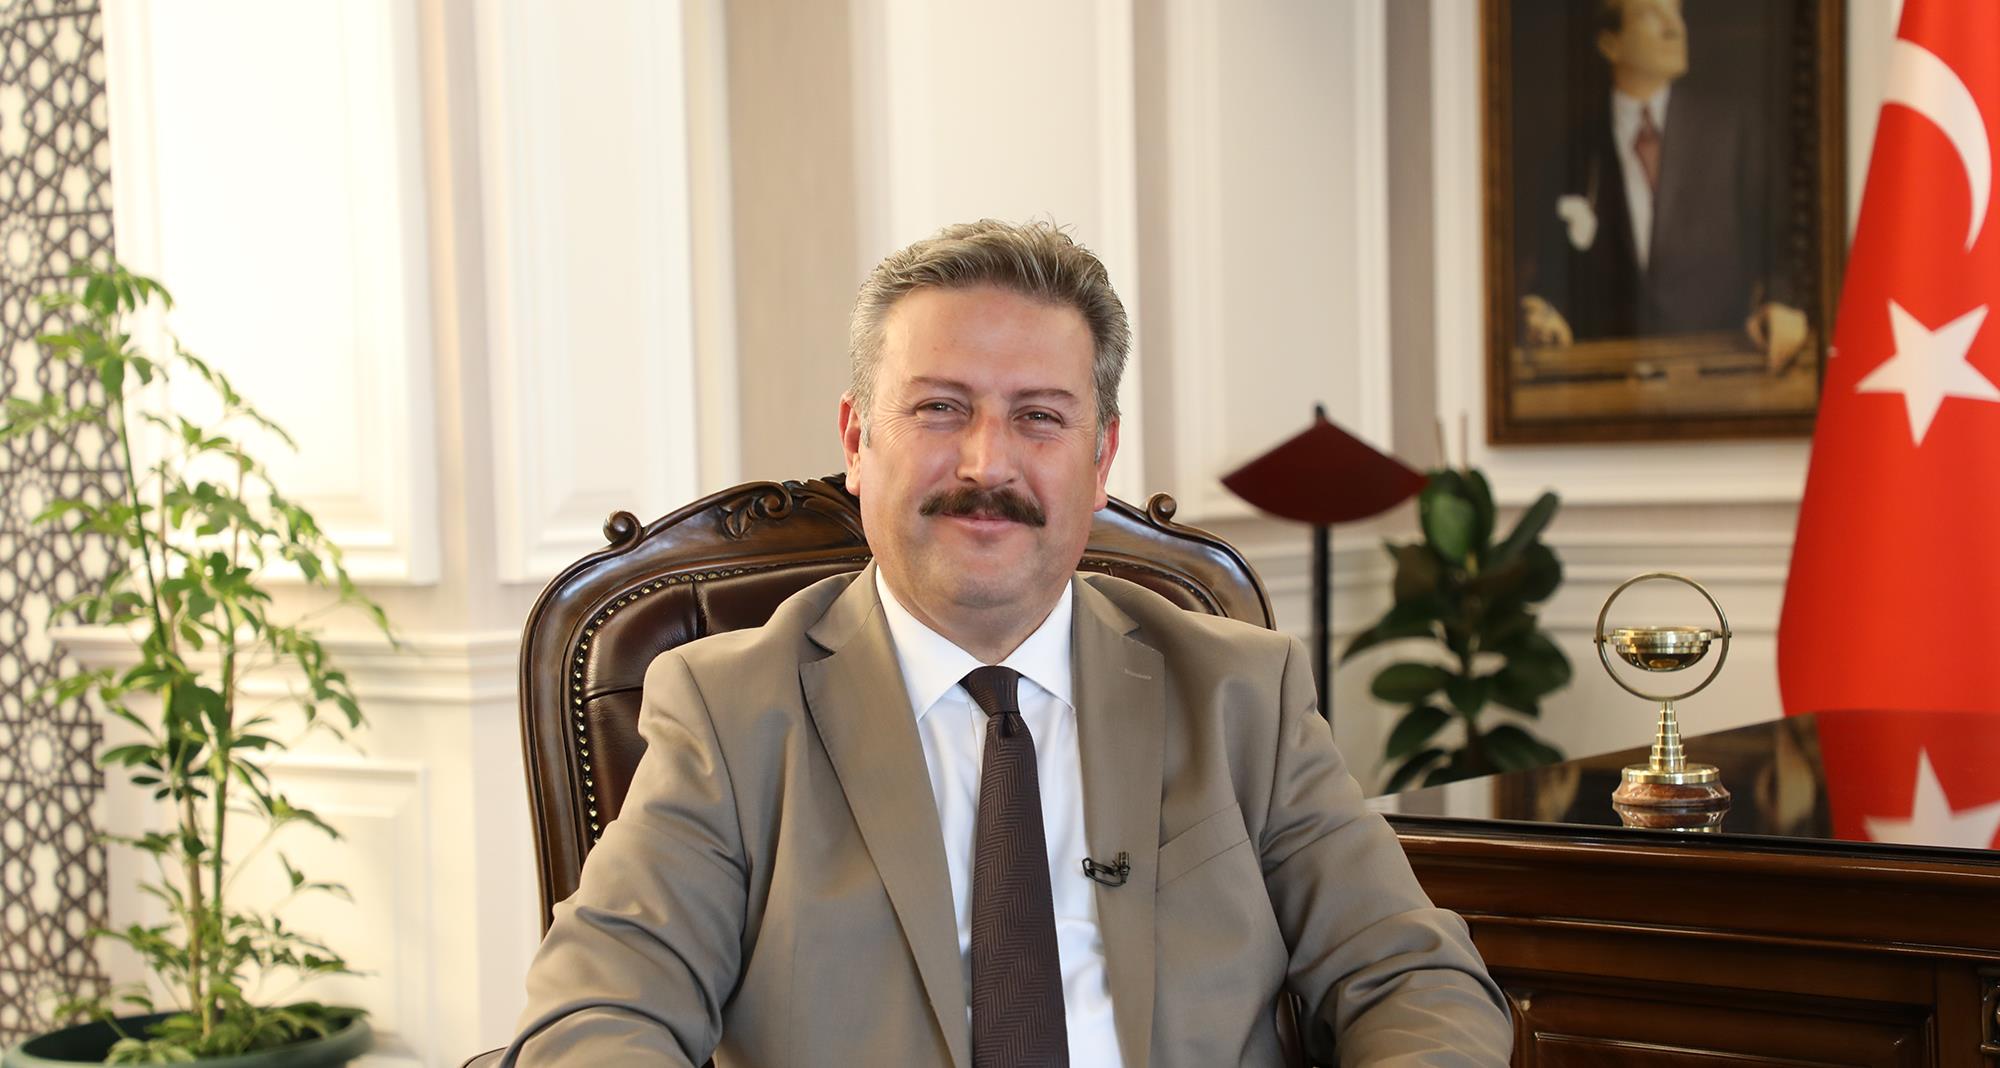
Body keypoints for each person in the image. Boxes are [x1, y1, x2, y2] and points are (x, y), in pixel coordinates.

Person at [502, 220, 1512, 1066]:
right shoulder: (729, 714)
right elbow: (595, 1020)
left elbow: (1414, 979)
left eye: (1039, 417)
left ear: (1100, 457)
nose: (987, 464)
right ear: (857, 440)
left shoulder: (1240, 692)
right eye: (941, 408)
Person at [1519, 0, 1808, 369]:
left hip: (1720, 374)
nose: (1675, 28)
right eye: (1650, 15)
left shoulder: (1735, 133)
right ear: (1610, 44)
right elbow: (1551, 282)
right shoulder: (1572, 153)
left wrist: (1780, 305)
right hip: (1608, 381)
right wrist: (1541, 314)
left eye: (1677, 13)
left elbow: (1779, 250)